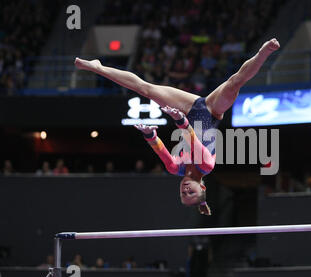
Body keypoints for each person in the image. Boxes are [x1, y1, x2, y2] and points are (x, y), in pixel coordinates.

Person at [75, 38, 280, 215]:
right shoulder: (206, 166)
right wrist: (180, 121)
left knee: (146, 89)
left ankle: (98, 67)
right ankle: (263, 53)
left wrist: (149, 134)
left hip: (190, 110)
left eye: (183, 193)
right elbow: (193, 140)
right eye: (191, 192)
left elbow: (159, 148)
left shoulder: (175, 168)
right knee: (235, 82)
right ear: (202, 187)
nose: (185, 190)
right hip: (212, 112)